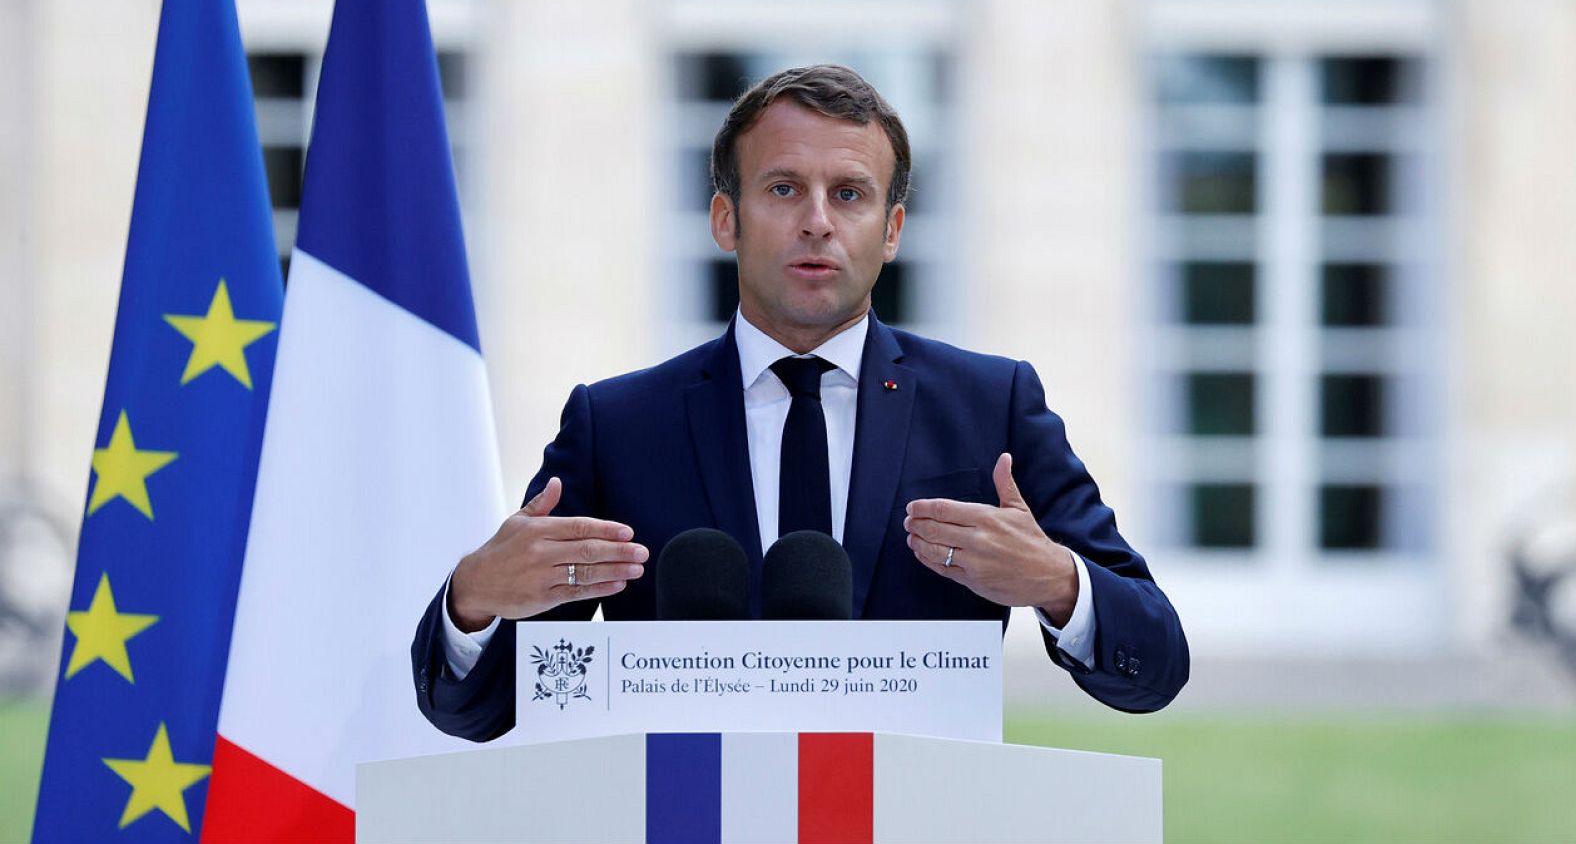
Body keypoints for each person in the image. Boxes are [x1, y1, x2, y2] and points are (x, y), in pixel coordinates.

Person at [412, 64, 1188, 742]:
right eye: (784, 188)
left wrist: (1059, 583)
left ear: (891, 232)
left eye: (848, 194)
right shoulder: (618, 427)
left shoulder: (992, 408)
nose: (817, 220)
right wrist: (474, 602)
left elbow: (1155, 666)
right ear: (727, 219)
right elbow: (478, 711)